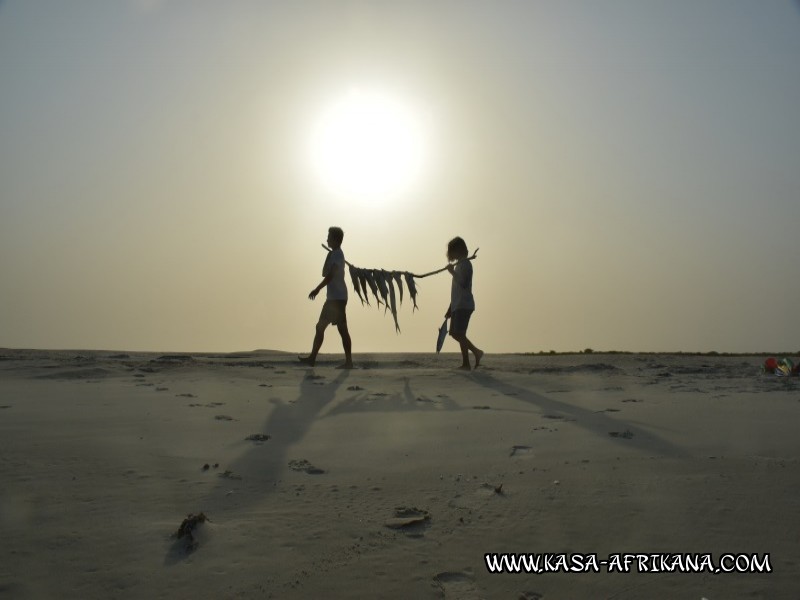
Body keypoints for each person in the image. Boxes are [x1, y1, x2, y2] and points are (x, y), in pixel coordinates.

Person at [299, 227, 353, 369]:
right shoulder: (334, 255)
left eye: (329, 237)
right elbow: (324, 273)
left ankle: (347, 362)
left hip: (337, 299)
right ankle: (314, 358)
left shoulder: (338, 255)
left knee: (335, 328)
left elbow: (330, 276)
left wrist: (317, 289)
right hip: (335, 298)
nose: (327, 239)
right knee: (325, 327)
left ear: (335, 239)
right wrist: (328, 257)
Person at [445, 236, 483, 370]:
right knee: (455, 333)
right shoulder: (459, 265)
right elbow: (455, 291)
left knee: (459, 333)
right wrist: (450, 307)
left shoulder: (466, 264)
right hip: (457, 304)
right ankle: (471, 357)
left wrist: (452, 273)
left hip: (464, 304)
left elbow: (464, 284)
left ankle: (471, 358)